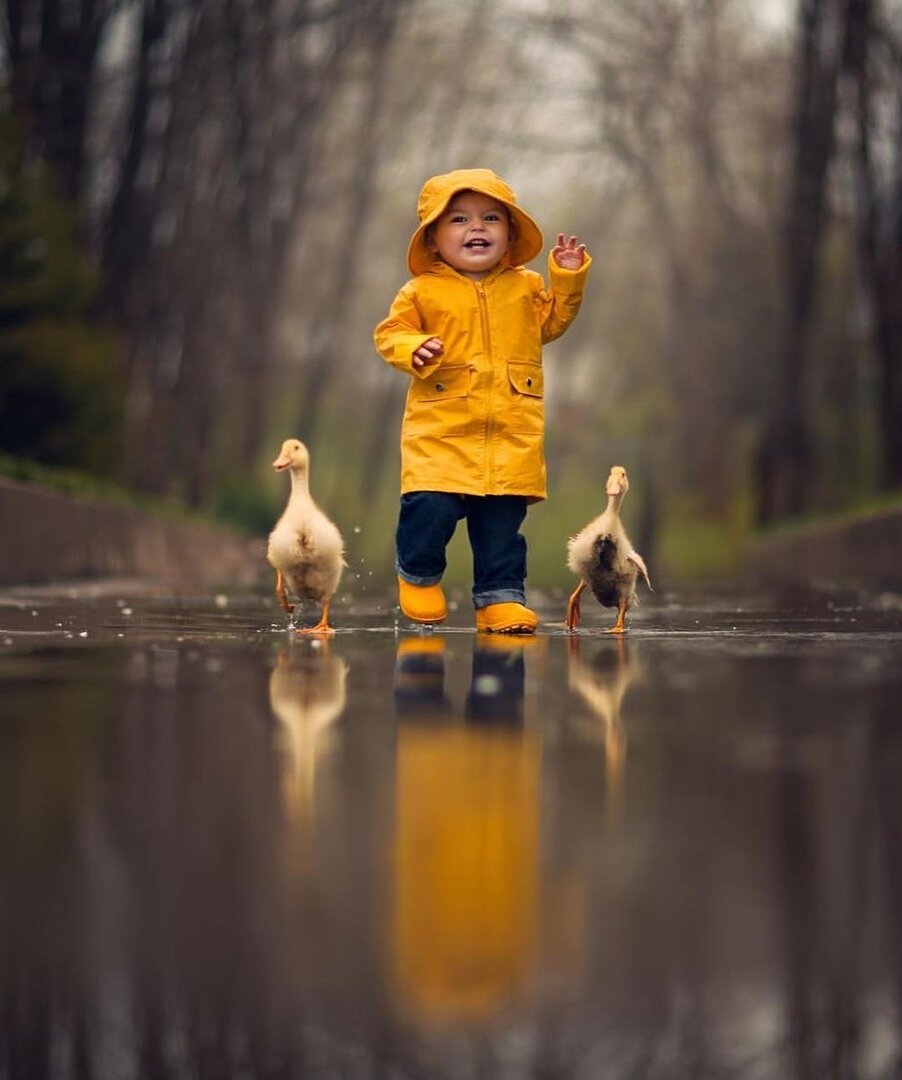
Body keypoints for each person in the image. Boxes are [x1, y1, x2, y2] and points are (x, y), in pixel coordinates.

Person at [374, 168, 591, 634]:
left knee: (502, 528)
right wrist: (414, 347)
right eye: (459, 220)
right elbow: (390, 334)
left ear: (509, 234)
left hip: (511, 435)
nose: (477, 227)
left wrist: (567, 279)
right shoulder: (421, 291)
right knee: (428, 509)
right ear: (432, 239)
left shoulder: (526, 286)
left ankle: (500, 599)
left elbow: (550, 323)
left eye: (491, 218)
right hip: (440, 434)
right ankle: (418, 574)